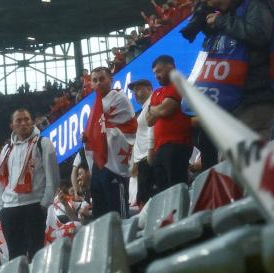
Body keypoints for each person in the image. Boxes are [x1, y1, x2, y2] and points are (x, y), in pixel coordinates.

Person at [192, 0, 274, 141]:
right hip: (237, 98)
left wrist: (222, 21)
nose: (211, 4)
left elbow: (259, 34)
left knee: (246, 161)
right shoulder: (228, 11)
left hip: (256, 95)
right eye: (206, 2)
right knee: (233, 162)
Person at [0, 108, 58, 260]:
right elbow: (1, 182)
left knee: (36, 255)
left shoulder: (43, 144)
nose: (23, 123)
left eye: (27, 119)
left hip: (33, 205)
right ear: (12, 125)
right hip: (9, 210)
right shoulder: (6, 149)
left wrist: (44, 205)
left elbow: (53, 178)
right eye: (19, 120)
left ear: (32, 122)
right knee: (15, 258)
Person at [78, 66, 137, 218]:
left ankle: (123, 240)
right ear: (91, 84)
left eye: (102, 79)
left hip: (114, 163)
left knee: (116, 211)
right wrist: (88, 136)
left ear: (111, 79)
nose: (98, 83)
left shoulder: (118, 97)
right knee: (100, 212)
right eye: (95, 80)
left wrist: (93, 132)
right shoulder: (97, 104)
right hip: (100, 163)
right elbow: (98, 128)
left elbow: (114, 125)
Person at [147, 55, 193, 191]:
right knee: (164, 191)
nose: (157, 76)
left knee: (177, 187)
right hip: (160, 148)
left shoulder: (178, 85)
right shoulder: (157, 92)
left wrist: (153, 109)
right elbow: (149, 121)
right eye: (155, 73)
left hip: (177, 144)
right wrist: (157, 109)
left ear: (171, 68)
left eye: (159, 71)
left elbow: (165, 110)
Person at [129, 78, 155, 207]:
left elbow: (153, 128)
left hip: (148, 158)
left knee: (148, 201)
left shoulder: (152, 103)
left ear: (149, 89)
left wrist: (150, 153)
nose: (135, 93)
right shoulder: (145, 108)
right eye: (134, 91)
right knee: (143, 200)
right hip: (142, 161)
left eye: (138, 89)